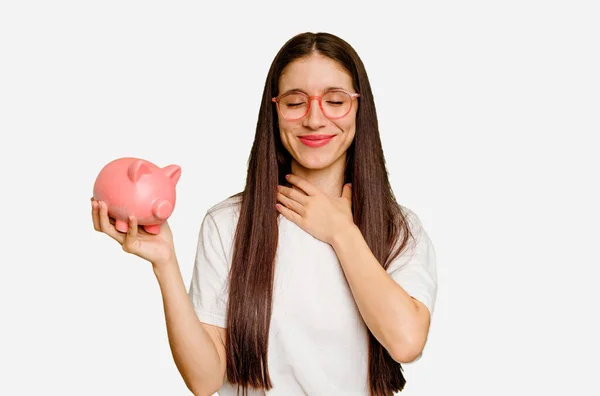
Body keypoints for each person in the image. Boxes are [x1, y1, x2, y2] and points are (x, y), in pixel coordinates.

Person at [91, 31, 437, 396]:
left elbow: (406, 342)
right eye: (294, 102)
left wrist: (341, 232)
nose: (315, 119)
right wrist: (165, 264)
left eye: (335, 101)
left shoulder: (397, 227)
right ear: (274, 110)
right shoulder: (228, 223)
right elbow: (205, 380)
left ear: (359, 108)